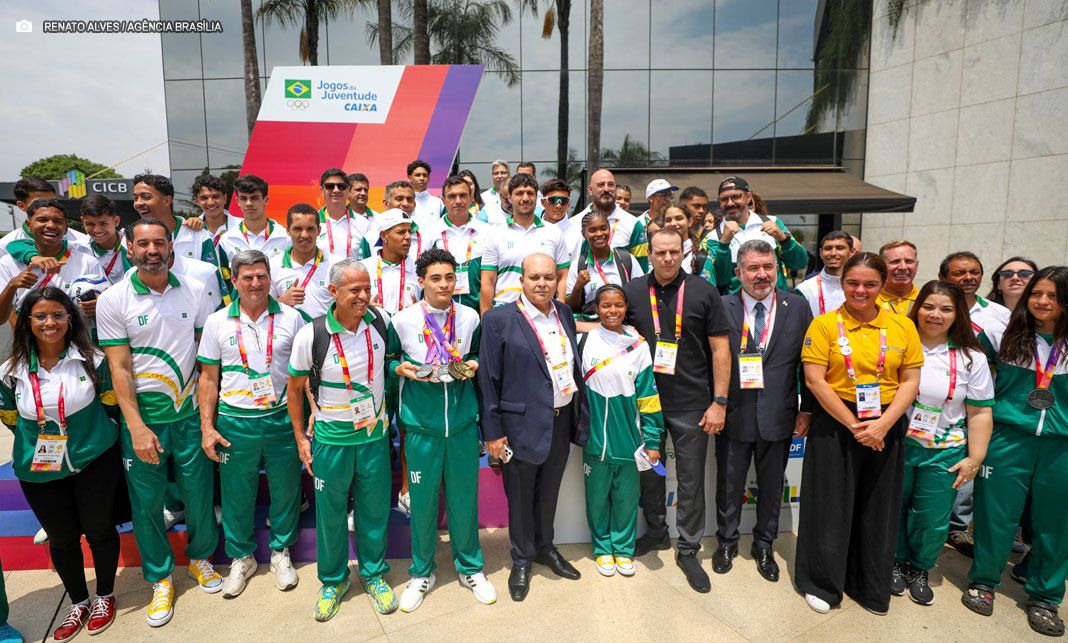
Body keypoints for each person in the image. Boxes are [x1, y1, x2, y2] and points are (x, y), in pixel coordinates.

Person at [95, 218, 222, 628]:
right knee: (147, 503)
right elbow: (119, 368)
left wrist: (206, 418)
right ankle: (161, 577)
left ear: (171, 246)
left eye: (159, 242)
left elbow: (206, 359)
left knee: (199, 493)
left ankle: (199, 558)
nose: (152, 250)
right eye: (143, 243)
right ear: (129, 248)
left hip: (188, 414)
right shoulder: (114, 299)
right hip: (145, 419)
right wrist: (134, 425)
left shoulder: (195, 289)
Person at [795, 252, 923, 615]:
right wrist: (854, 425)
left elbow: (910, 380)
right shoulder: (824, 325)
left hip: (886, 421)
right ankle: (821, 582)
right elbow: (815, 381)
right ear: (843, 283)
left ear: (882, 285)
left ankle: (868, 583)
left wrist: (883, 424)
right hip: (836, 421)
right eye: (852, 283)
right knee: (829, 506)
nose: (860, 290)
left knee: (877, 507)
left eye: (870, 284)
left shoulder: (902, 326)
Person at [0, 288, 121, 639]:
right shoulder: (10, 371)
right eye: (40, 316)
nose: (49, 323)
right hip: (40, 471)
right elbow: (10, 417)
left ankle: (105, 595)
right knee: (62, 538)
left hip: (94, 461)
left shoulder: (93, 360)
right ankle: (78, 601)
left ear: (70, 319)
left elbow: (110, 405)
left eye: (57, 315)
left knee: (100, 531)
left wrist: (93, 438)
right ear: (27, 321)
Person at [386, 248, 496, 611]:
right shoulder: (402, 320)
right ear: (421, 281)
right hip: (422, 427)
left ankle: (471, 568)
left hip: (461, 424)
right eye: (436, 278)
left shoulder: (469, 317)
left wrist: (472, 366)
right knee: (422, 504)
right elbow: (390, 361)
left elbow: (477, 356)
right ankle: (421, 572)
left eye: (449, 277)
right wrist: (400, 369)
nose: (444, 284)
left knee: (464, 500)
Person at [286, 259, 396, 620]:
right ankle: (333, 581)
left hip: (373, 438)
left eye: (367, 288)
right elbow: (294, 388)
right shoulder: (312, 334)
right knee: (331, 516)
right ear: (333, 291)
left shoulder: (380, 322)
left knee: (374, 511)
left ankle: (374, 574)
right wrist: (300, 437)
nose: (363, 296)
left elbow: (391, 365)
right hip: (331, 441)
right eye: (354, 290)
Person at [623, 228, 731, 593]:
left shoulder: (703, 291)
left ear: (683, 251)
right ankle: (656, 532)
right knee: (650, 474)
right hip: (647, 404)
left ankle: (688, 549)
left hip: (692, 403)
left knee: (690, 480)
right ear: (649, 254)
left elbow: (720, 349)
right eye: (660, 252)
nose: (667, 258)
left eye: (673, 252)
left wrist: (719, 402)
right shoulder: (633, 291)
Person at [963, 266, 1068, 638]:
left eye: (1053, 295)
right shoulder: (1002, 334)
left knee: (1056, 524)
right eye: (1036, 293)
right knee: (996, 516)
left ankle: (1045, 596)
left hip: (1061, 446)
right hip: (1008, 439)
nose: (1042, 301)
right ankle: (984, 581)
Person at [478, 253, 589, 602]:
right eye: (534, 277)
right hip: (518, 426)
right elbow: (488, 380)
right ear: (521, 280)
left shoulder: (564, 313)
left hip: (560, 419)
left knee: (549, 492)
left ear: (557, 280)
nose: (542, 284)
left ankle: (545, 547)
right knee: (521, 497)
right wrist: (493, 434)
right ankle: (522, 559)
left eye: (548, 277)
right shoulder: (498, 319)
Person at [196, 250, 306, 597]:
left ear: (270, 278)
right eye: (248, 277)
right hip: (235, 420)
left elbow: (304, 375)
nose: (256, 283)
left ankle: (281, 552)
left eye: (262, 276)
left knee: (286, 489)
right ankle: (241, 557)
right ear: (234, 280)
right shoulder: (217, 321)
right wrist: (207, 427)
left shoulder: (292, 318)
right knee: (236, 494)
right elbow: (208, 378)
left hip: (280, 417)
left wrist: (308, 421)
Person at [888, 281, 993, 606]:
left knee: (931, 518)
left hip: (944, 451)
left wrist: (974, 459)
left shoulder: (971, 357)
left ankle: (919, 567)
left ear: (958, 314)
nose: (936, 315)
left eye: (946, 309)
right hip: (896, 446)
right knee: (892, 508)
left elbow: (980, 412)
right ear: (916, 308)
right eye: (929, 306)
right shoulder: (895, 345)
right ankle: (892, 561)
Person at [714, 240, 813, 583]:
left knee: (772, 488)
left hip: (779, 414)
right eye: (753, 268)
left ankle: (764, 545)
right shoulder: (722, 306)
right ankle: (726, 542)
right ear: (738, 272)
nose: (761, 275)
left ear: (777, 269)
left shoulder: (797, 306)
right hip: (734, 413)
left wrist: (807, 409)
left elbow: (808, 363)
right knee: (729, 485)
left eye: (768, 267)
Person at [579, 284, 664, 578]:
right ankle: (603, 549)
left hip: (630, 440)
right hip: (595, 440)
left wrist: (652, 439)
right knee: (597, 500)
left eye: (618, 305)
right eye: (605, 305)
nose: (612, 310)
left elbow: (649, 397)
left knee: (626, 500)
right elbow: (561, 319)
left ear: (626, 307)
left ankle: (624, 549)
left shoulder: (639, 346)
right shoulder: (585, 340)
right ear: (596, 308)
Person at [479, 174, 570, 314]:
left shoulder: (553, 232)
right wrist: (486, 318)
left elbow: (562, 276)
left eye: (530, 193)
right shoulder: (495, 234)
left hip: (544, 311)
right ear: (510, 198)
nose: (525, 198)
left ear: (537, 198)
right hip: (506, 310)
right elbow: (487, 281)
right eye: (519, 193)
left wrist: (560, 311)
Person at [0, 199, 100, 322]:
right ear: (28, 225)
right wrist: (12, 285)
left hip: (77, 334)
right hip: (27, 335)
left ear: (66, 228)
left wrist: (99, 304)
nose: (51, 225)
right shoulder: (8, 263)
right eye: (42, 220)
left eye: (58, 221)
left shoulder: (87, 262)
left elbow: (106, 301)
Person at [706, 176, 808, 294]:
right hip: (738, 304)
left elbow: (800, 263)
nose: (730, 203)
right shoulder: (714, 236)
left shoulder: (773, 222)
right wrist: (724, 244)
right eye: (724, 199)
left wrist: (783, 239)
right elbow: (720, 280)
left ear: (748, 197)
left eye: (736, 197)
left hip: (775, 302)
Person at [566, 209, 643, 331]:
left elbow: (640, 295)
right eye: (592, 230)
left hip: (623, 329)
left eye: (603, 228)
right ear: (583, 234)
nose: (599, 234)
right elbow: (571, 307)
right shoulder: (578, 265)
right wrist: (578, 287)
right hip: (592, 331)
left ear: (610, 229)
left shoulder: (626, 260)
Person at [428, 176, 488, 312]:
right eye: (452, 196)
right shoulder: (430, 233)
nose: (458, 201)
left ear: (471, 198)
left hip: (477, 311)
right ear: (443, 200)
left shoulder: (487, 232)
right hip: (439, 311)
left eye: (463, 195)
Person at [132, 174, 218, 267]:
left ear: (167, 201)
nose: (138, 203)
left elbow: (212, 273)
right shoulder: (131, 238)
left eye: (146, 197)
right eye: (135, 198)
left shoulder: (197, 235)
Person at [572, 169, 648, 269]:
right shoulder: (573, 224)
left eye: (611, 185)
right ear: (590, 190)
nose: (606, 189)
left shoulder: (633, 224)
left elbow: (642, 269)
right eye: (601, 185)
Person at [270, 203, 334, 321]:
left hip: (324, 332)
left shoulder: (335, 265)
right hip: (288, 332)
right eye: (298, 229)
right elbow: (262, 312)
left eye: (310, 229)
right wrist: (281, 302)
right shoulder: (272, 266)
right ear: (288, 230)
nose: (304, 235)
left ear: (319, 230)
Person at [0, 177, 88, 258]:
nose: (48, 206)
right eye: (39, 202)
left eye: (53, 201)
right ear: (21, 205)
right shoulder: (4, 247)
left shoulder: (81, 241)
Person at [360, 209, 420, 315]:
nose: (408, 237)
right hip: (374, 324)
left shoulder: (419, 269)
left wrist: (420, 308)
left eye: (409, 232)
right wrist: (366, 307)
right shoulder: (364, 268)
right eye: (401, 232)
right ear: (383, 236)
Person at [218, 175, 290, 260]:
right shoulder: (227, 239)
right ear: (238, 201)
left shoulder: (286, 237)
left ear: (266, 200)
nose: (249, 203)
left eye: (254, 198)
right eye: (243, 198)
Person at [939, 252, 1011, 336]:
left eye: (975, 272)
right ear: (942, 278)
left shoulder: (1002, 313)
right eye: (959, 273)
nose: (968, 278)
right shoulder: (931, 312)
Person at [317, 168, 372, 262]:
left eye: (341, 186)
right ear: (322, 190)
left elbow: (369, 260)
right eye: (330, 186)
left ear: (348, 190)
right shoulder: (312, 222)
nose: (336, 190)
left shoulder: (363, 224)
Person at [795, 231, 855, 316]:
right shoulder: (805, 289)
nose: (833, 253)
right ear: (821, 253)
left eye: (840, 248)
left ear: (852, 252)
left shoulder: (862, 288)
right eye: (828, 248)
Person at [651, 205, 715, 283]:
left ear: (690, 222)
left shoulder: (700, 257)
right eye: (668, 220)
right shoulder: (656, 254)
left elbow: (707, 289)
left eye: (678, 218)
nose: (673, 223)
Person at [876, 240, 920, 315]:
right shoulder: (870, 300)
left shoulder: (925, 300)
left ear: (917, 265)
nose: (903, 267)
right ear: (881, 266)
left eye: (908, 261)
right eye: (895, 261)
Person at [408, 159, 445, 230]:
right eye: (418, 175)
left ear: (428, 178)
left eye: (425, 175)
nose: (422, 178)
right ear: (410, 177)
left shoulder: (438, 202)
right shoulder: (405, 203)